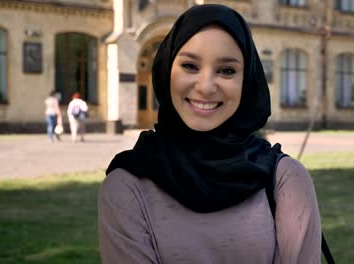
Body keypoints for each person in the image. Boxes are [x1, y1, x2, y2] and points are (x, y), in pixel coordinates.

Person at [99, 4, 322, 263]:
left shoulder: (285, 180)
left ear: (246, 81)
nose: (205, 87)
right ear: (166, 70)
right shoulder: (127, 187)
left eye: (226, 70)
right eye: (190, 66)